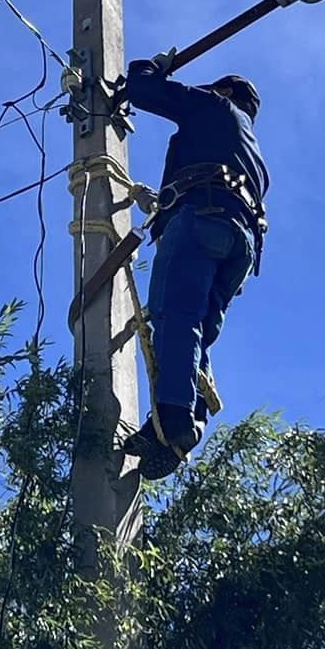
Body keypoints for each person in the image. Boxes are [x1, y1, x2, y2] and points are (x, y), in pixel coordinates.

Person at [118, 54, 269, 480]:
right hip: (239, 247)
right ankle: (178, 422)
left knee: (175, 317)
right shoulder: (252, 156)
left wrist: (150, 67)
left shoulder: (216, 107)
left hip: (202, 220)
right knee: (196, 334)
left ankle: (174, 418)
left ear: (224, 92)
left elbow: (145, 89)